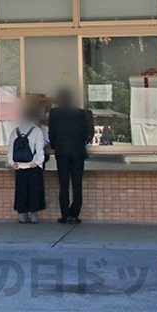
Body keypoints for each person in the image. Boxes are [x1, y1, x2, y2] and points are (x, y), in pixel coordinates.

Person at [48, 88, 95, 224]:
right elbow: (85, 133)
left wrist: (55, 146)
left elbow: (52, 133)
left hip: (62, 152)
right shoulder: (80, 113)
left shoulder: (54, 113)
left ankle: (65, 215)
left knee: (63, 185)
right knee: (77, 184)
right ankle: (74, 214)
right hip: (77, 152)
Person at [8, 103, 46, 224]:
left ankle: (22, 215)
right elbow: (39, 148)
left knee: (21, 190)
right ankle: (34, 215)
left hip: (19, 166)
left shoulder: (15, 131)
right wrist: (38, 162)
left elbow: (10, 148)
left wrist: (12, 163)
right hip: (32, 165)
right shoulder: (37, 131)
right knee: (35, 190)